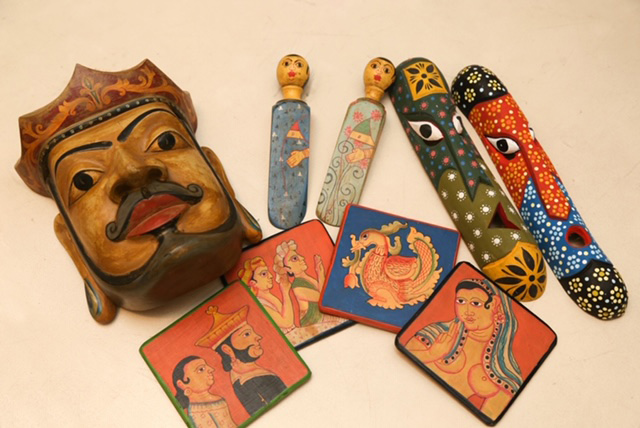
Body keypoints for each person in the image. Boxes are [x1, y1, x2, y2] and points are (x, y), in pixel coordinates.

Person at [405, 278, 523, 419]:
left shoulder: (505, 371)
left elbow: (490, 416)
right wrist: (431, 354)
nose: (467, 311)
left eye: (475, 303)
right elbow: (399, 360)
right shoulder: (437, 333)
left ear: (494, 304)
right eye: (460, 301)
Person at [196, 306, 286, 416]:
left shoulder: (251, 375)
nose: (258, 337)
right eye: (247, 334)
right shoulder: (247, 381)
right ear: (227, 350)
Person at [173, 355, 237, 428]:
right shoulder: (196, 411)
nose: (211, 369)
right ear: (182, 384)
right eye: (201, 369)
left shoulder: (219, 400)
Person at [273, 240, 324, 327]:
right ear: (288, 269)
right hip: (313, 326)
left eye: (298, 256)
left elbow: (324, 292)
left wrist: (320, 272)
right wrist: (320, 274)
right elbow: (323, 298)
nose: (302, 258)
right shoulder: (297, 288)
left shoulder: (308, 279)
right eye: (295, 258)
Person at [238, 257, 295, 333]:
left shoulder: (269, 297)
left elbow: (286, 315)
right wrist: (285, 292)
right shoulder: (260, 305)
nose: (271, 276)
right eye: (264, 274)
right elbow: (287, 323)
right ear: (253, 283)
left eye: (268, 272)